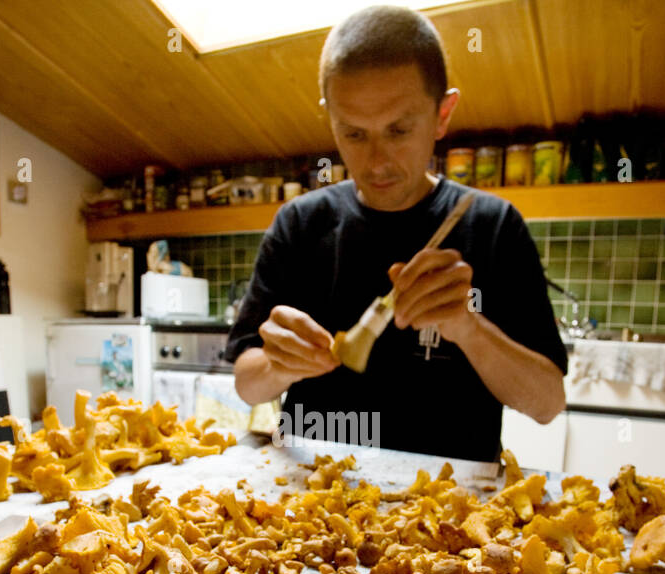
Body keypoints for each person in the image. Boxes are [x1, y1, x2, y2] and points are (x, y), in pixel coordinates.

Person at [225, 4, 567, 463]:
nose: (377, 161)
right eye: (353, 134)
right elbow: (248, 385)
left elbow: (547, 404)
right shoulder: (300, 224)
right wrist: (277, 365)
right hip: (314, 500)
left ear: (443, 114)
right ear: (330, 117)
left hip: (451, 510)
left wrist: (468, 328)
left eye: (399, 130)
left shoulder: (492, 225)